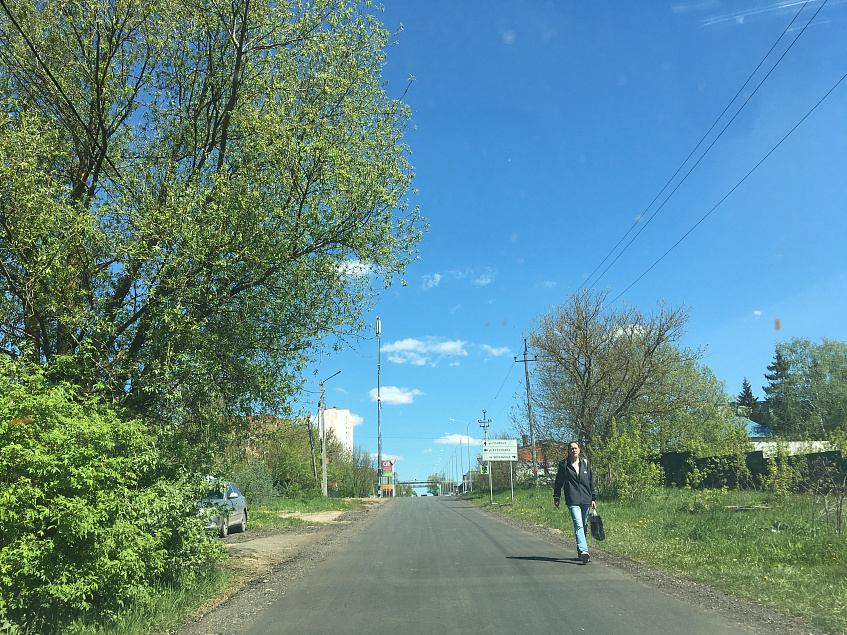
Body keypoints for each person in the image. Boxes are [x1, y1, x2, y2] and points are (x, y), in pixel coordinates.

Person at [553, 441, 597, 564]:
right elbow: (558, 482)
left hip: (586, 499)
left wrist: (593, 498)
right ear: (568, 451)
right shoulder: (564, 464)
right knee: (578, 524)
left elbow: (591, 481)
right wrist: (556, 496)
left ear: (579, 450)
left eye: (575, 448)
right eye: (571, 448)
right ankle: (584, 551)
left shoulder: (585, 463)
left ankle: (580, 552)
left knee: (584, 525)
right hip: (572, 499)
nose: (574, 450)